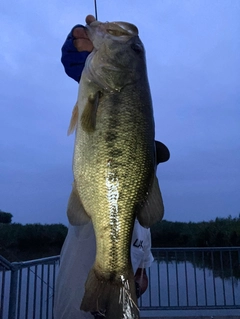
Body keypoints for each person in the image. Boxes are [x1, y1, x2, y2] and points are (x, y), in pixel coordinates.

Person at [54, 15, 170, 319]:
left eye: (149, 158)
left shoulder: (140, 207)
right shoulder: (98, 85)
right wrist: (84, 65)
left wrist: (140, 277)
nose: (147, 162)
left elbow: (142, 260)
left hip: (122, 295)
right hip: (76, 302)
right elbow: (86, 77)